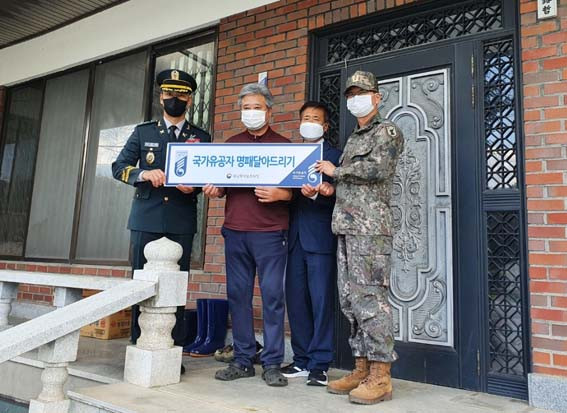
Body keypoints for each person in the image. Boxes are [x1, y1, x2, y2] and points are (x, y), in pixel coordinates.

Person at [112, 69, 211, 374]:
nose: (174, 99)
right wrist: (144, 173)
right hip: (147, 217)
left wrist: (194, 186)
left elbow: (207, 176)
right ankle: (138, 346)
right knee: (141, 286)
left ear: (190, 100)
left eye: (181, 95)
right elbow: (119, 167)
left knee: (175, 288)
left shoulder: (201, 137)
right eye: (169, 93)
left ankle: (171, 351)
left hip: (181, 219)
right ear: (161, 97)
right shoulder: (144, 132)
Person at [316, 70, 404, 405]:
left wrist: (336, 171)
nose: (355, 99)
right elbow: (350, 184)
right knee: (350, 301)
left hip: (370, 230)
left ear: (376, 97)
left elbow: (378, 169)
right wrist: (330, 187)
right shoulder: (354, 137)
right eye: (351, 94)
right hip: (346, 227)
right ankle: (362, 368)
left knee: (371, 299)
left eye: (362, 93)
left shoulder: (387, 131)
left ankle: (381, 376)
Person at [204, 83, 292, 387]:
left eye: (256, 107)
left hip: (271, 234)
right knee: (238, 297)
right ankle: (242, 360)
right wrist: (214, 190)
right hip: (236, 232)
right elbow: (221, 186)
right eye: (246, 108)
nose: (251, 113)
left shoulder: (284, 146)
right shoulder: (231, 145)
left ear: (269, 111)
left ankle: (272, 363)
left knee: (272, 297)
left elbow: (299, 191)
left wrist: (282, 194)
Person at [281, 102, 341, 387]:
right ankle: (301, 359)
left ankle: (320, 364)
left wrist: (324, 192)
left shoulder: (335, 157)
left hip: (320, 239)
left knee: (320, 302)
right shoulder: (291, 155)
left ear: (325, 126)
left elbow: (345, 194)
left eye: (315, 119)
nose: (310, 122)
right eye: (305, 118)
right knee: (296, 301)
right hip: (293, 239)